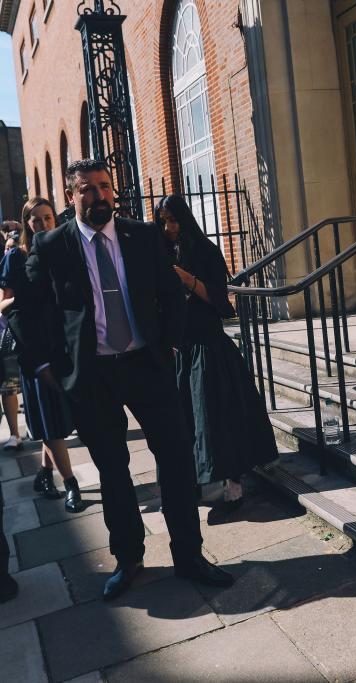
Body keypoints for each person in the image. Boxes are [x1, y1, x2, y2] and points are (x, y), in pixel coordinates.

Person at [7, 159, 234, 600]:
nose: (99, 196)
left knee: (176, 461)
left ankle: (189, 555)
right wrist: (44, 368)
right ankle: (128, 559)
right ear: (71, 196)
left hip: (146, 365)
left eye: (104, 186)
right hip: (93, 375)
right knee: (113, 472)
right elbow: (23, 312)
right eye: (87, 189)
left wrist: (169, 345)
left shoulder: (142, 235)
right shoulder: (53, 247)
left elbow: (172, 295)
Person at [155, 194, 278, 523]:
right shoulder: (159, 252)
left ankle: (233, 482)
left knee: (218, 417)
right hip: (177, 348)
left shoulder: (206, 251)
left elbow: (222, 303)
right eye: (163, 221)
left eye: (173, 220)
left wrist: (187, 280)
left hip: (208, 345)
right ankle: (191, 481)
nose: (168, 227)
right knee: (182, 421)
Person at [0, 198, 82, 511]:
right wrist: (22, 300)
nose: (43, 224)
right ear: (26, 223)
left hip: (60, 345)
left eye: (48, 218)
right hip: (33, 348)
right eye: (35, 220)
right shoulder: (16, 258)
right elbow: (3, 304)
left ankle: (46, 473)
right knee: (49, 420)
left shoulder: (59, 252)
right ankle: (71, 483)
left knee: (56, 418)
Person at [0, 228, 22, 452]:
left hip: (6, 337)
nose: (9, 252)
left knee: (9, 388)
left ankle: (15, 433)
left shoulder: (8, 270)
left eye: (12, 248)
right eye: (6, 248)